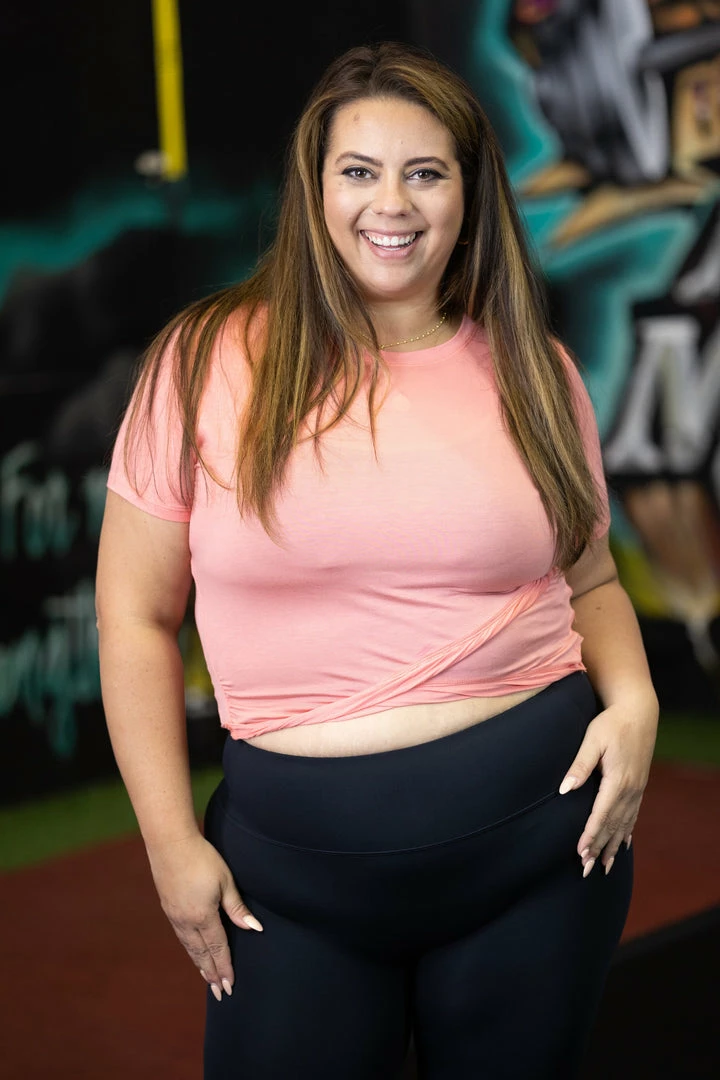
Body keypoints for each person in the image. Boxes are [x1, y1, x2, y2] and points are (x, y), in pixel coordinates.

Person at [96, 40, 659, 1080]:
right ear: (315, 190)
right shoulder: (203, 358)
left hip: (543, 856)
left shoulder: (537, 370)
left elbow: (592, 582)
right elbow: (133, 616)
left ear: (468, 194)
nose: (389, 203)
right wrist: (170, 846)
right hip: (289, 884)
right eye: (358, 170)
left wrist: (637, 706)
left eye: (425, 172)